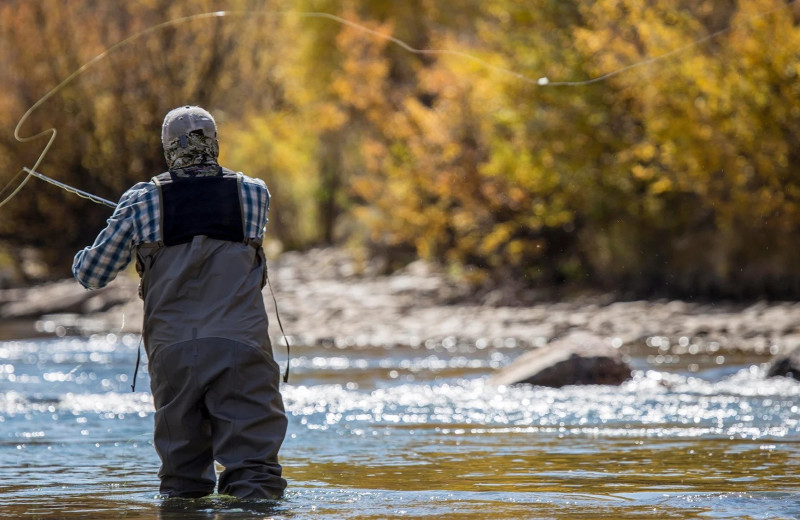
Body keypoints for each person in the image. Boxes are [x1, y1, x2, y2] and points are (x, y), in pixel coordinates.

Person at [72, 105, 288, 499]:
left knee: (183, 481)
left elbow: (91, 274)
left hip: (173, 353)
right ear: (216, 143)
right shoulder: (255, 192)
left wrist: (120, 224)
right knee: (255, 473)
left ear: (168, 148)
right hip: (242, 347)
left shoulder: (141, 200)